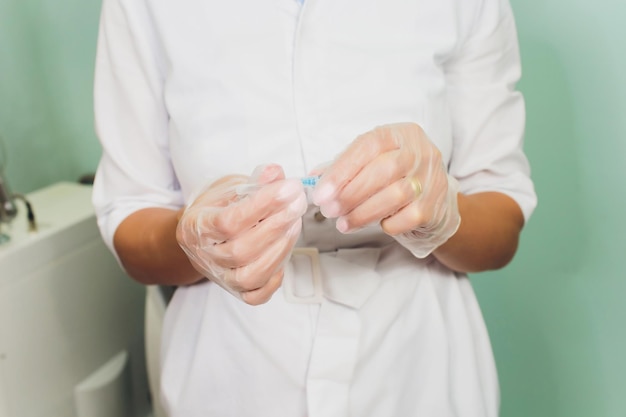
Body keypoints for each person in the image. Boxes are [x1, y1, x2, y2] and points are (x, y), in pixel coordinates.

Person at [92, 0, 537, 416]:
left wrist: (443, 215)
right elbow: (132, 215)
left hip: (416, 366)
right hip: (233, 369)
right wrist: (195, 240)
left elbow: (500, 225)